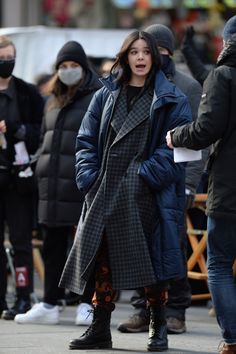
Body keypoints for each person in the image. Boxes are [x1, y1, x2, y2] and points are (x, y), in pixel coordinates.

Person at [59, 30, 192, 351]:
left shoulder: (172, 98)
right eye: (135, 52)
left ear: (156, 57)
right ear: (125, 56)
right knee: (100, 261)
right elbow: (85, 141)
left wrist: (143, 175)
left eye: (147, 52)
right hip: (104, 189)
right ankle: (100, 327)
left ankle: (157, 326)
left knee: (151, 263)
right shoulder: (106, 95)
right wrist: (89, 177)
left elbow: (178, 150)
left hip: (146, 193)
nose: (142, 57)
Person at [117, 23, 207, 335]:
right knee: (139, 246)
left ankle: (176, 310)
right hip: (138, 180)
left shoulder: (187, 86)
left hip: (174, 178)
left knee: (173, 245)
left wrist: (188, 184)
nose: (150, 56)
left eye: (159, 50)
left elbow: (197, 139)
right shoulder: (136, 84)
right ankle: (142, 310)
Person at [14, 41, 101, 326]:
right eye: (63, 67)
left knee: (84, 247)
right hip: (50, 187)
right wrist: (36, 164)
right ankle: (50, 302)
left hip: (80, 185)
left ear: (83, 67)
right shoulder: (52, 100)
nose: (68, 71)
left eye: (73, 65)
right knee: (51, 246)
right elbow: (44, 141)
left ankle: (87, 303)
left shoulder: (97, 97)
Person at [166, 15, 236, 354]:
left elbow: (206, 129)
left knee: (220, 263)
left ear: (226, 42)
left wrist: (174, 135)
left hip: (230, 187)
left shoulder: (224, 76)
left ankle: (233, 340)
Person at [0, 35, 44, 320]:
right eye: (1, 59)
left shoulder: (28, 93)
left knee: (20, 242)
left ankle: (23, 295)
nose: (6, 63)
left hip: (19, 178)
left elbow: (39, 131)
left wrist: (16, 130)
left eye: (9, 58)